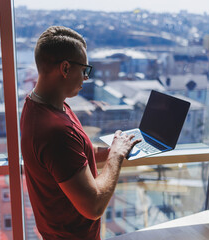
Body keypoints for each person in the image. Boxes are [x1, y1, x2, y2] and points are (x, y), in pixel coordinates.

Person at [20, 26, 141, 240]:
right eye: (84, 70)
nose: (86, 78)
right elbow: (93, 207)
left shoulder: (40, 105)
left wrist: (115, 148)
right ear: (65, 68)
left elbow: (78, 157)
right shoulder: (56, 130)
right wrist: (116, 156)